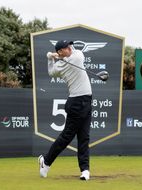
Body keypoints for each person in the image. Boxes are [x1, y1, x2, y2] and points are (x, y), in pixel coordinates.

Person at [38, 40, 92, 180]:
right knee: (66, 137)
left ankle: (85, 170)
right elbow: (55, 70)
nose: (70, 47)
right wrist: (55, 57)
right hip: (77, 102)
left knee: (84, 137)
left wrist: (51, 58)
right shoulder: (73, 58)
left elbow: (51, 72)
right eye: (66, 47)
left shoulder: (65, 62)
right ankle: (46, 162)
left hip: (85, 101)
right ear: (61, 51)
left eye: (69, 46)